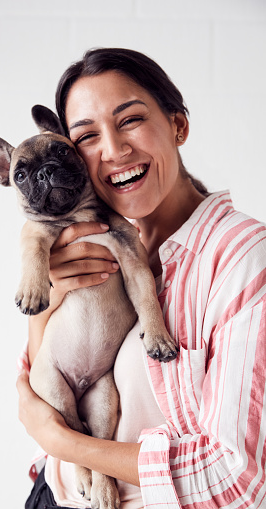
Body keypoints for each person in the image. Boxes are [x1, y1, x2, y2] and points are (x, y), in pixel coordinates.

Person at [16, 48, 266, 509]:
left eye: (129, 120)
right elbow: (43, 384)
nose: (113, 150)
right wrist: (45, 308)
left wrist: (63, 442)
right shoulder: (81, 242)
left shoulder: (243, 258)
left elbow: (238, 478)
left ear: (178, 125)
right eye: (87, 136)